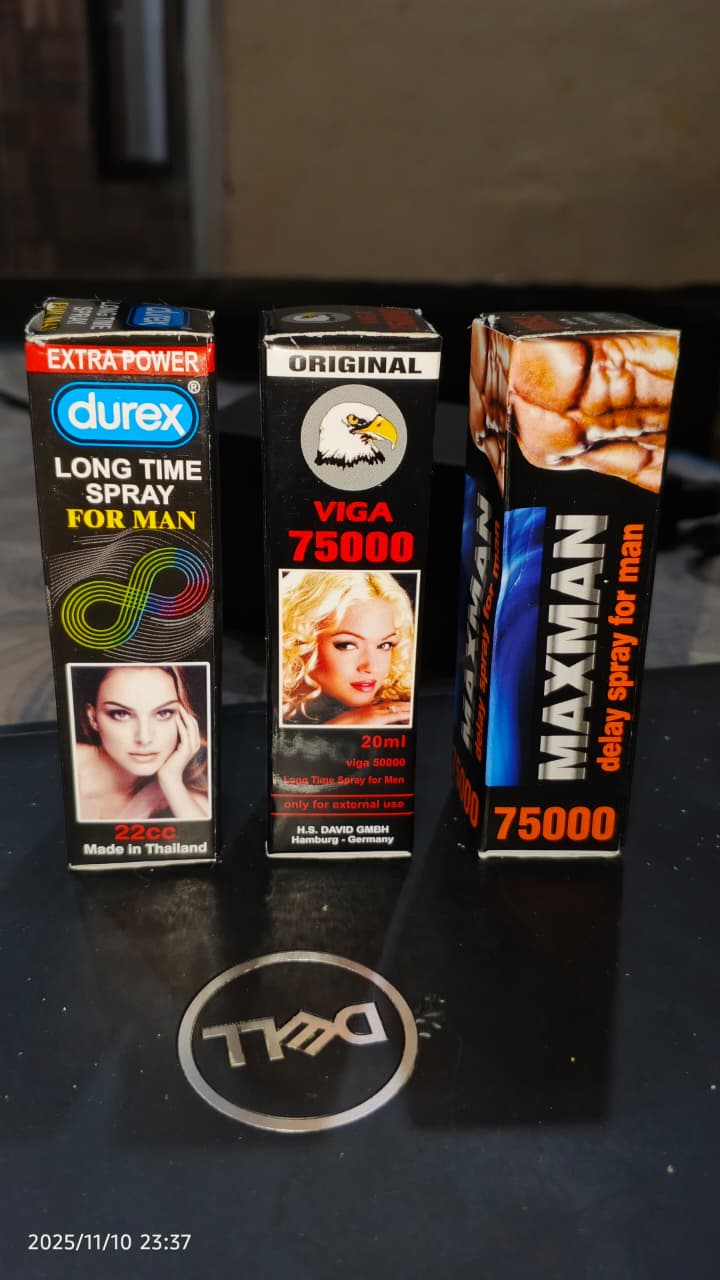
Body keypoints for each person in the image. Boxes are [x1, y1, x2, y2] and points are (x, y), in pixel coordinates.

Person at [73, 665, 209, 820]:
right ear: (93, 718)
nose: (144, 738)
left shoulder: (182, 796)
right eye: (121, 714)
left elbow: (202, 831)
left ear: (187, 720)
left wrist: (170, 780)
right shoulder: (68, 764)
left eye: (163, 713)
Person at [281, 570, 415, 726]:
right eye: (347, 645)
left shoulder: (404, 717)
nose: (372, 667)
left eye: (384, 645)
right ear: (298, 642)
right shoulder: (269, 710)